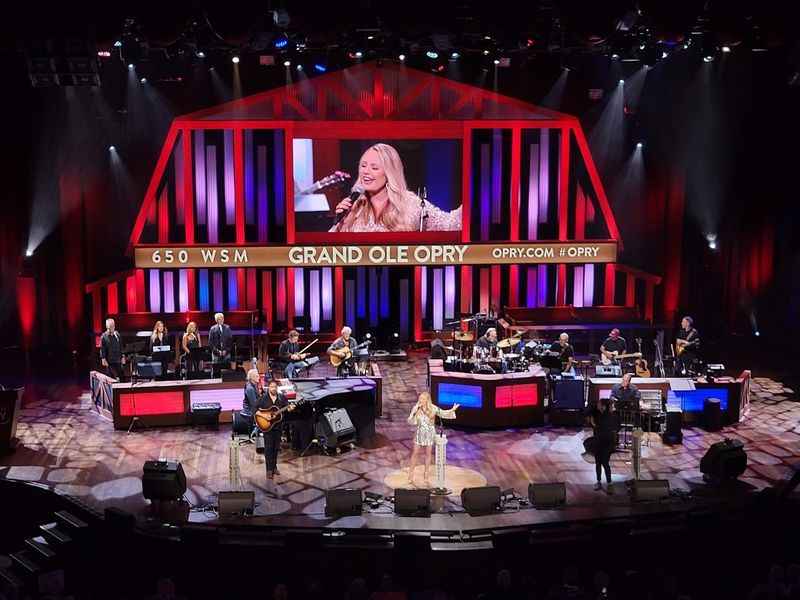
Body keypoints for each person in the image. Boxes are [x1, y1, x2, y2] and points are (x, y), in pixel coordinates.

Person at [330, 143, 461, 233]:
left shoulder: (410, 203)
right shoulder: (354, 206)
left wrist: (474, 196)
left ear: (389, 173)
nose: (366, 172)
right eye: (363, 166)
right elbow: (327, 250)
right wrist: (343, 224)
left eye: (374, 168)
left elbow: (449, 225)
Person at [406, 392, 459, 486]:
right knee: (415, 453)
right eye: (420, 399)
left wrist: (452, 409)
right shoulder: (416, 408)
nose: (420, 400)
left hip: (430, 434)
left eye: (422, 399)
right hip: (419, 433)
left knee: (428, 454)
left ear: (427, 400)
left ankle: (426, 475)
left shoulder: (433, 408)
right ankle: (411, 474)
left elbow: (443, 413)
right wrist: (413, 412)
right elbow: (410, 421)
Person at [257, 378, 295, 480]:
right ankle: (268, 470)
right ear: (269, 388)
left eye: (275, 387)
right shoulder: (263, 398)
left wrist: (290, 409)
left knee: (275, 448)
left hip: (278, 427)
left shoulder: (282, 398)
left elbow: (287, 408)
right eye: (271, 387)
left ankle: (274, 467)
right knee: (268, 449)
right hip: (267, 428)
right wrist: (265, 417)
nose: (273, 388)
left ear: (277, 388)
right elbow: (255, 410)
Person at [589, 396, 616, 492]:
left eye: (599, 404)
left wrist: (595, 424)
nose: (597, 405)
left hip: (606, 443)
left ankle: (609, 483)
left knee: (605, 463)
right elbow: (589, 413)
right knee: (598, 463)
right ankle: (598, 481)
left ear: (603, 406)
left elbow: (599, 425)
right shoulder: (596, 413)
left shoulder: (608, 415)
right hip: (598, 442)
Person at [209, 312, 233, 377]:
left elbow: (230, 341)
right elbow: (210, 343)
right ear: (216, 320)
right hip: (216, 353)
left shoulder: (227, 328)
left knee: (226, 371)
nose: (222, 319)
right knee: (216, 371)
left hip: (226, 353)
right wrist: (217, 351)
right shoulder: (212, 329)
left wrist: (226, 350)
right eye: (220, 318)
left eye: (222, 318)